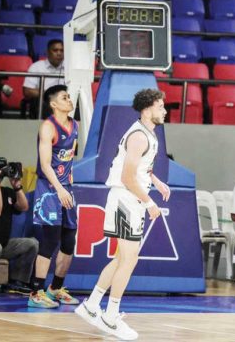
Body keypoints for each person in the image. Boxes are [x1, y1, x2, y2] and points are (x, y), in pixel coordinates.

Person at [75, 89, 170, 339]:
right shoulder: (139, 136)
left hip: (129, 199)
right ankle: (110, 316)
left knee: (121, 259)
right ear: (148, 108)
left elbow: (139, 168)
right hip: (127, 200)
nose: (165, 111)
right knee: (129, 260)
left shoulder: (146, 132)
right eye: (161, 107)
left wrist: (156, 181)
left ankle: (92, 304)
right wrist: (150, 202)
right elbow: (128, 176)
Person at [29, 85, 79, 308]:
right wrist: (59, 189)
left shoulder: (75, 125)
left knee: (69, 240)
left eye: (69, 97)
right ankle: (36, 292)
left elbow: (69, 160)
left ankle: (55, 288)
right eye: (64, 98)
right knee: (49, 240)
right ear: (53, 104)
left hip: (65, 187)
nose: (69, 100)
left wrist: (69, 184)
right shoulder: (48, 127)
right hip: (49, 188)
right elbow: (46, 165)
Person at [0, 154, 38, 295]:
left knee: (31, 244)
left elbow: (24, 207)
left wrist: (17, 187)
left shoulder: (6, 192)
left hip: (1, 245)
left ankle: (17, 282)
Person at [23, 39, 65, 118]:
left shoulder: (69, 68)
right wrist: (48, 94)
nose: (59, 53)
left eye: (61, 50)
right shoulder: (36, 67)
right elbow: (27, 91)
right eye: (55, 50)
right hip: (44, 101)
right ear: (48, 52)